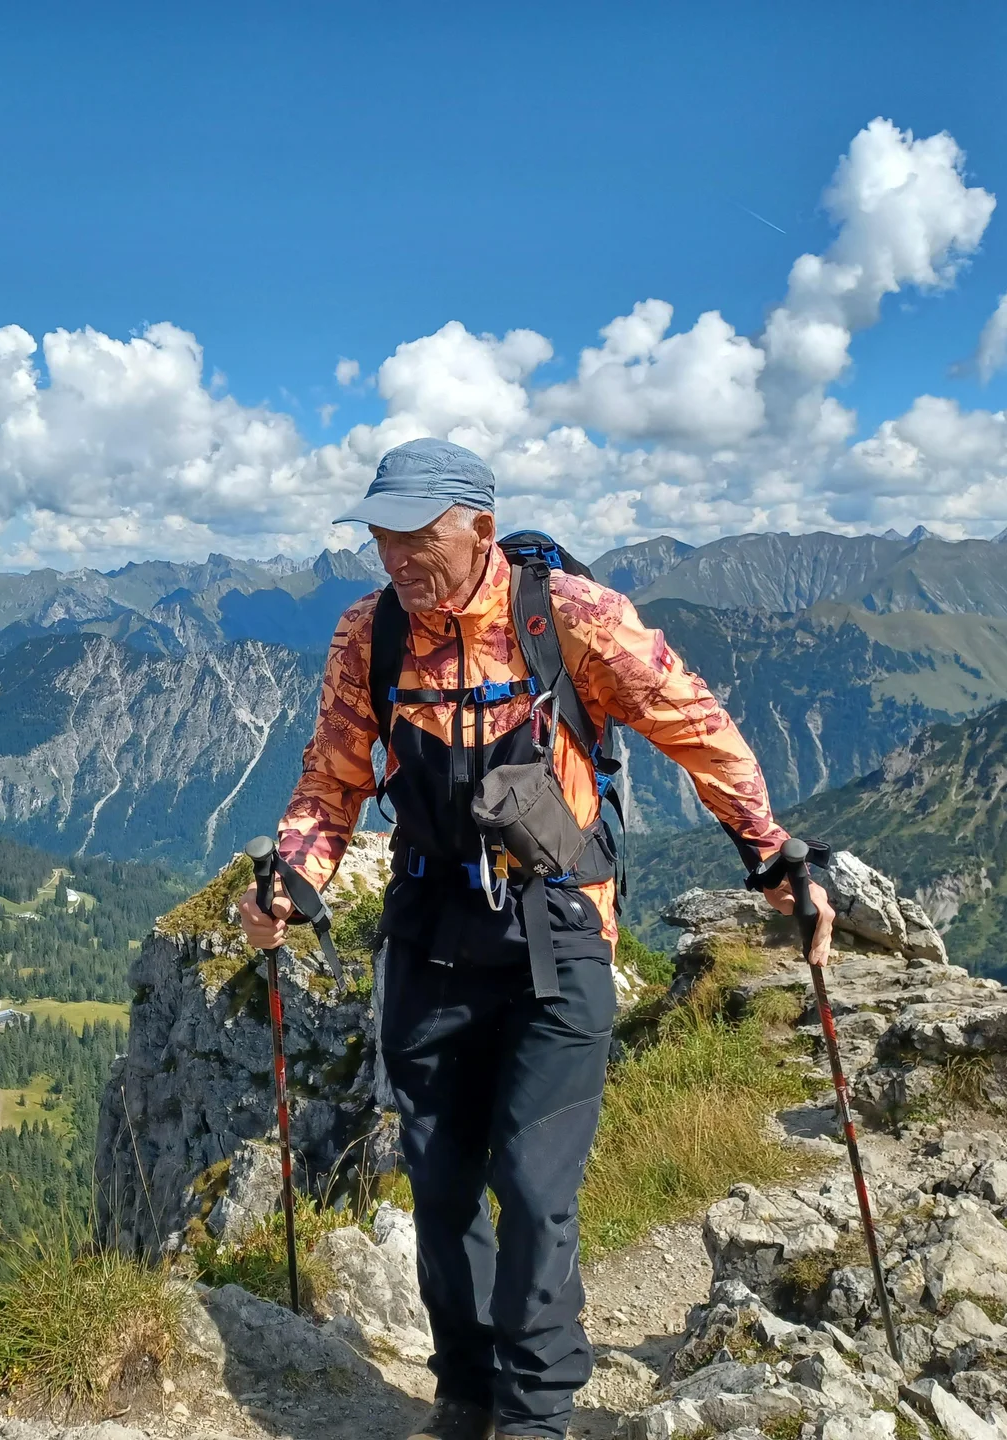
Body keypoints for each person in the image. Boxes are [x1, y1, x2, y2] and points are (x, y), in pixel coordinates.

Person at [240, 438, 831, 1440]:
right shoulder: (368, 637)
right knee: (438, 1180)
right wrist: (294, 874)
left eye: (415, 534)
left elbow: (696, 725)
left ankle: (534, 1410)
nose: (395, 556)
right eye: (382, 535)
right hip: (429, 936)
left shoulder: (570, 618)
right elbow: (333, 778)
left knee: (531, 1178)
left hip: (559, 929)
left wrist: (771, 853)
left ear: (478, 523)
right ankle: (465, 1391)